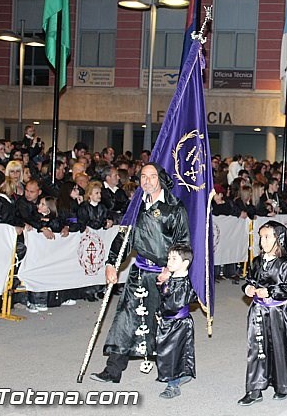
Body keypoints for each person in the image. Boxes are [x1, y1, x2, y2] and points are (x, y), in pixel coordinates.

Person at [90, 163, 190, 384]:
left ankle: (173, 371)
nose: (147, 181)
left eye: (152, 177)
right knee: (125, 319)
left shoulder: (174, 208)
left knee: (163, 324)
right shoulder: (135, 206)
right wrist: (111, 263)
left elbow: (183, 243)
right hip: (139, 273)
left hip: (164, 275)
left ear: (160, 179)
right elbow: (123, 238)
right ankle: (113, 370)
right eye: (143, 177)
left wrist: (170, 269)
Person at [238, 221, 287, 406]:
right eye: (261, 237)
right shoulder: (256, 261)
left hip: (277, 311)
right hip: (258, 311)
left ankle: (282, 385)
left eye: (267, 237)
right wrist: (247, 288)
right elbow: (248, 279)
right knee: (256, 348)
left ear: (278, 239)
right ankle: (255, 389)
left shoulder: (285, 263)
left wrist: (272, 292)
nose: (262, 241)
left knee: (279, 348)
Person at [155, 244, 197, 399]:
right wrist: (161, 283)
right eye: (168, 258)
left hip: (178, 323)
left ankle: (173, 385)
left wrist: (160, 311)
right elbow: (166, 294)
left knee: (173, 353)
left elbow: (173, 304)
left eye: (174, 259)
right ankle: (181, 373)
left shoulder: (183, 283)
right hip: (170, 322)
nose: (169, 262)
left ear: (185, 263)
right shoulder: (173, 278)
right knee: (169, 351)